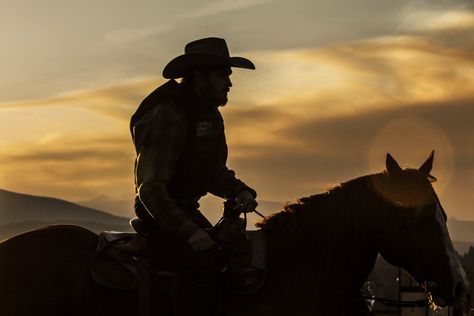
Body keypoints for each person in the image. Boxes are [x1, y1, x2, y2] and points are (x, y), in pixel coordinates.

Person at [130, 37, 258, 315]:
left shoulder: (208, 116)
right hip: (161, 215)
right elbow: (150, 188)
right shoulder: (168, 114)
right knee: (204, 270)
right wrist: (190, 232)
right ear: (199, 76)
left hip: (184, 210)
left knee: (234, 255)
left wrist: (240, 190)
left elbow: (212, 173)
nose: (229, 83)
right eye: (222, 75)